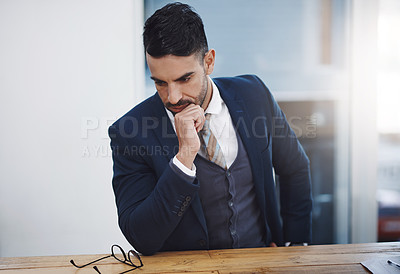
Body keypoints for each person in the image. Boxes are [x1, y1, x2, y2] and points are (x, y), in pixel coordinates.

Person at [109, 2, 312, 256]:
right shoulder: (129, 132)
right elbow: (142, 238)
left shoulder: (254, 94)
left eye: (184, 79)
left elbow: (295, 167)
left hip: (261, 262)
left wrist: (295, 244)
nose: (173, 97)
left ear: (209, 62)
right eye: (160, 83)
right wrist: (183, 160)